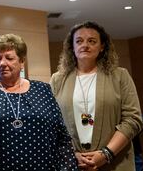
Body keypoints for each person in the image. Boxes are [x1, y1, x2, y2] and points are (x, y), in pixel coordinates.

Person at [0, 34, 77, 170]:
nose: (2, 63)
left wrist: (68, 167)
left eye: (9, 58)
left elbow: (62, 137)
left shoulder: (43, 90)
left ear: (22, 61)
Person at [50, 21, 143, 170]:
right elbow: (53, 123)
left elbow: (133, 119)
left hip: (115, 163)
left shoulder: (120, 76)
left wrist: (107, 154)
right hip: (73, 164)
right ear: (72, 47)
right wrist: (71, 154)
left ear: (102, 47)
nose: (85, 45)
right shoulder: (57, 79)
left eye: (92, 41)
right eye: (79, 41)